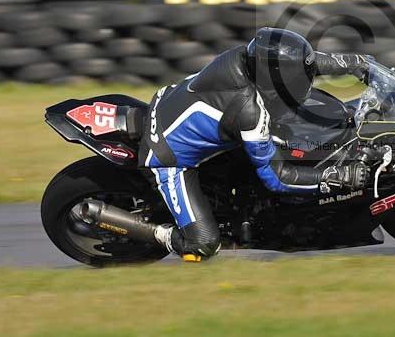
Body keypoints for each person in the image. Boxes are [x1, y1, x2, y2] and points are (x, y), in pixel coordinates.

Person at [140, 27, 371, 261]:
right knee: (203, 245)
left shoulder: (249, 58)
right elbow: (277, 177)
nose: (305, 82)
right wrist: (333, 176)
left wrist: (353, 63)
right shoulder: (249, 110)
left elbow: (299, 63)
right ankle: (161, 234)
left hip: (171, 101)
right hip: (166, 153)